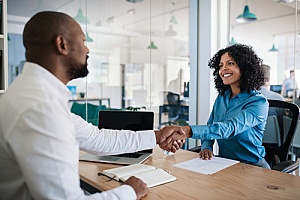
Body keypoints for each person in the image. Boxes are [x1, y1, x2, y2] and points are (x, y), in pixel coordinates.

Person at [0, 11, 185, 200]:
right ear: (62, 44)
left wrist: (157, 136)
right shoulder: (41, 108)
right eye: (83, 41)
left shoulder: (29, 95)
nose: (88, 50)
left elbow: (98, 138)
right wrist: (129, 191)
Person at [161, 44, 270, 169]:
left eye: (230, 63)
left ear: (245, 67)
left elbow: (228, 128)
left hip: (252, 167)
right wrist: (207, 146)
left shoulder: (258, 103)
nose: (223, 69)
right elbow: (211, 125)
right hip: (225, 164)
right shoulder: (222, 97)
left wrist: (188, 131)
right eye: (221, 65)